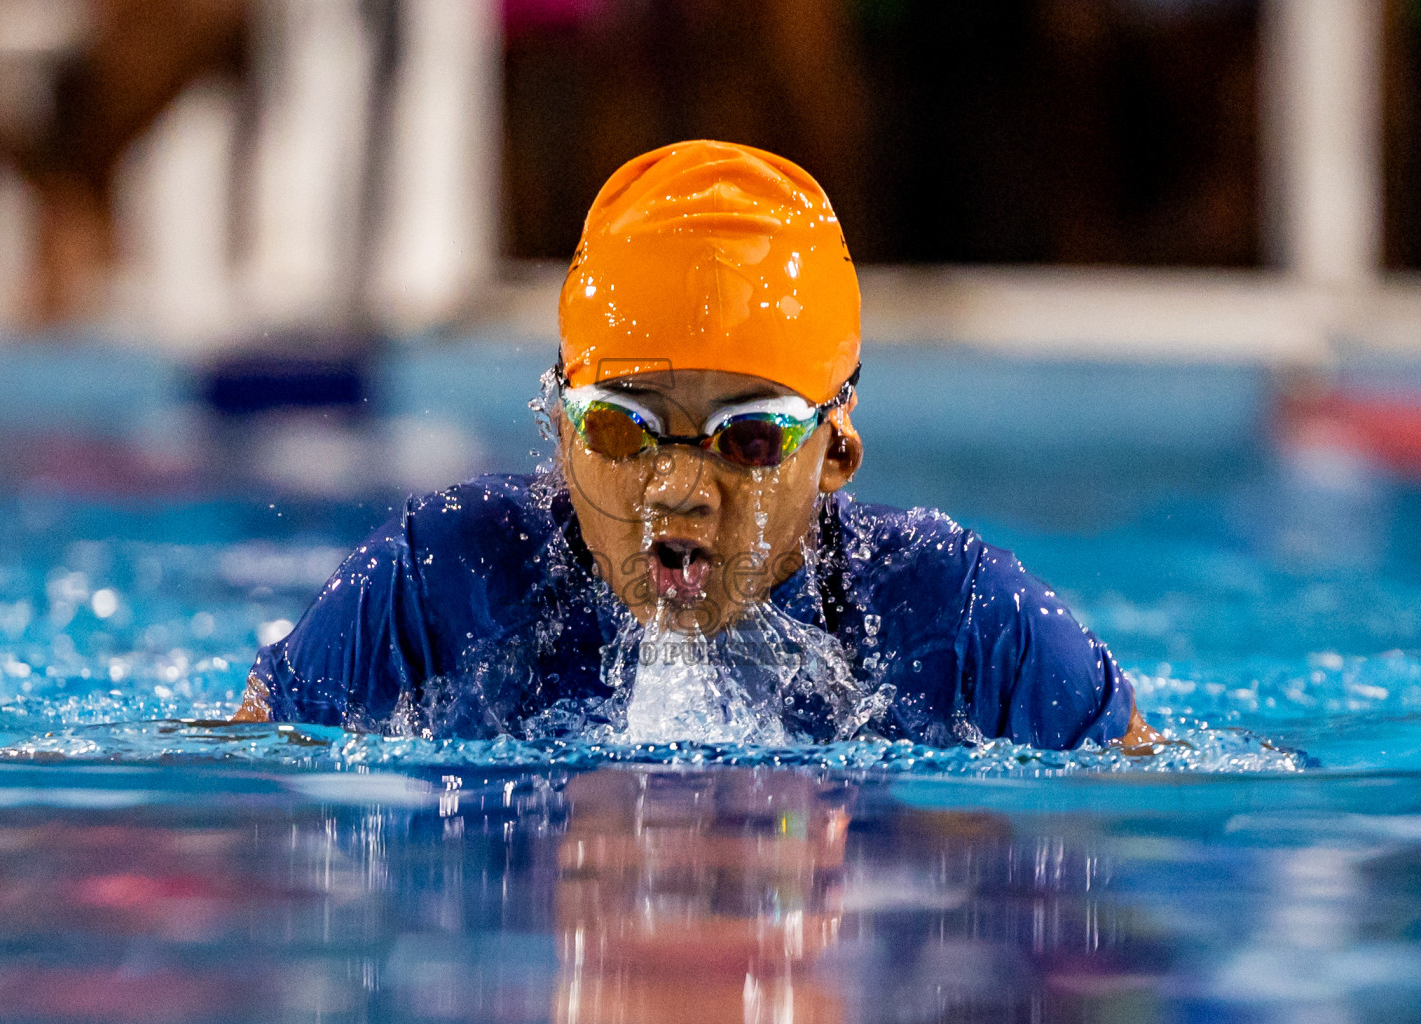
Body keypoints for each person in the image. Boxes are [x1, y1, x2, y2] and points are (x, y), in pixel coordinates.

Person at [233, 139, 1157, 750]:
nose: (677, 488)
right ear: (560, 433)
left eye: (749, 440)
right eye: (622, 428)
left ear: (835, 456)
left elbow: (1154, 815)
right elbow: (242, 788)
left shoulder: (955, 616)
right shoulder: (444, 575)